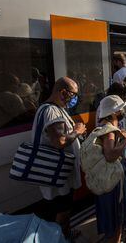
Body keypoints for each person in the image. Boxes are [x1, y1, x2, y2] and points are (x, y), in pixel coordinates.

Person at [34, 77, 86, 239]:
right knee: (62, 212)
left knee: (65, 209)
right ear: (63, 92)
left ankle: (66, 233)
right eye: (74, 95)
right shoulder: (51, 111)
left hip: (61, 173)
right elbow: (60, 141)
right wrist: (77, 130)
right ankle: (59, 238)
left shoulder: (55, 109)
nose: (75, 99)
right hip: (58, 175)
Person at [95, 95, 126, 242]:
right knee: (117, 220)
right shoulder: (109, 131)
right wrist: (125, 140)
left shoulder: (101, 128)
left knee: (111, 219)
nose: (123, 111)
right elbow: (110, 155)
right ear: (114, 113)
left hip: (105, 180)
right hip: (114, 182)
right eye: (120, 109)